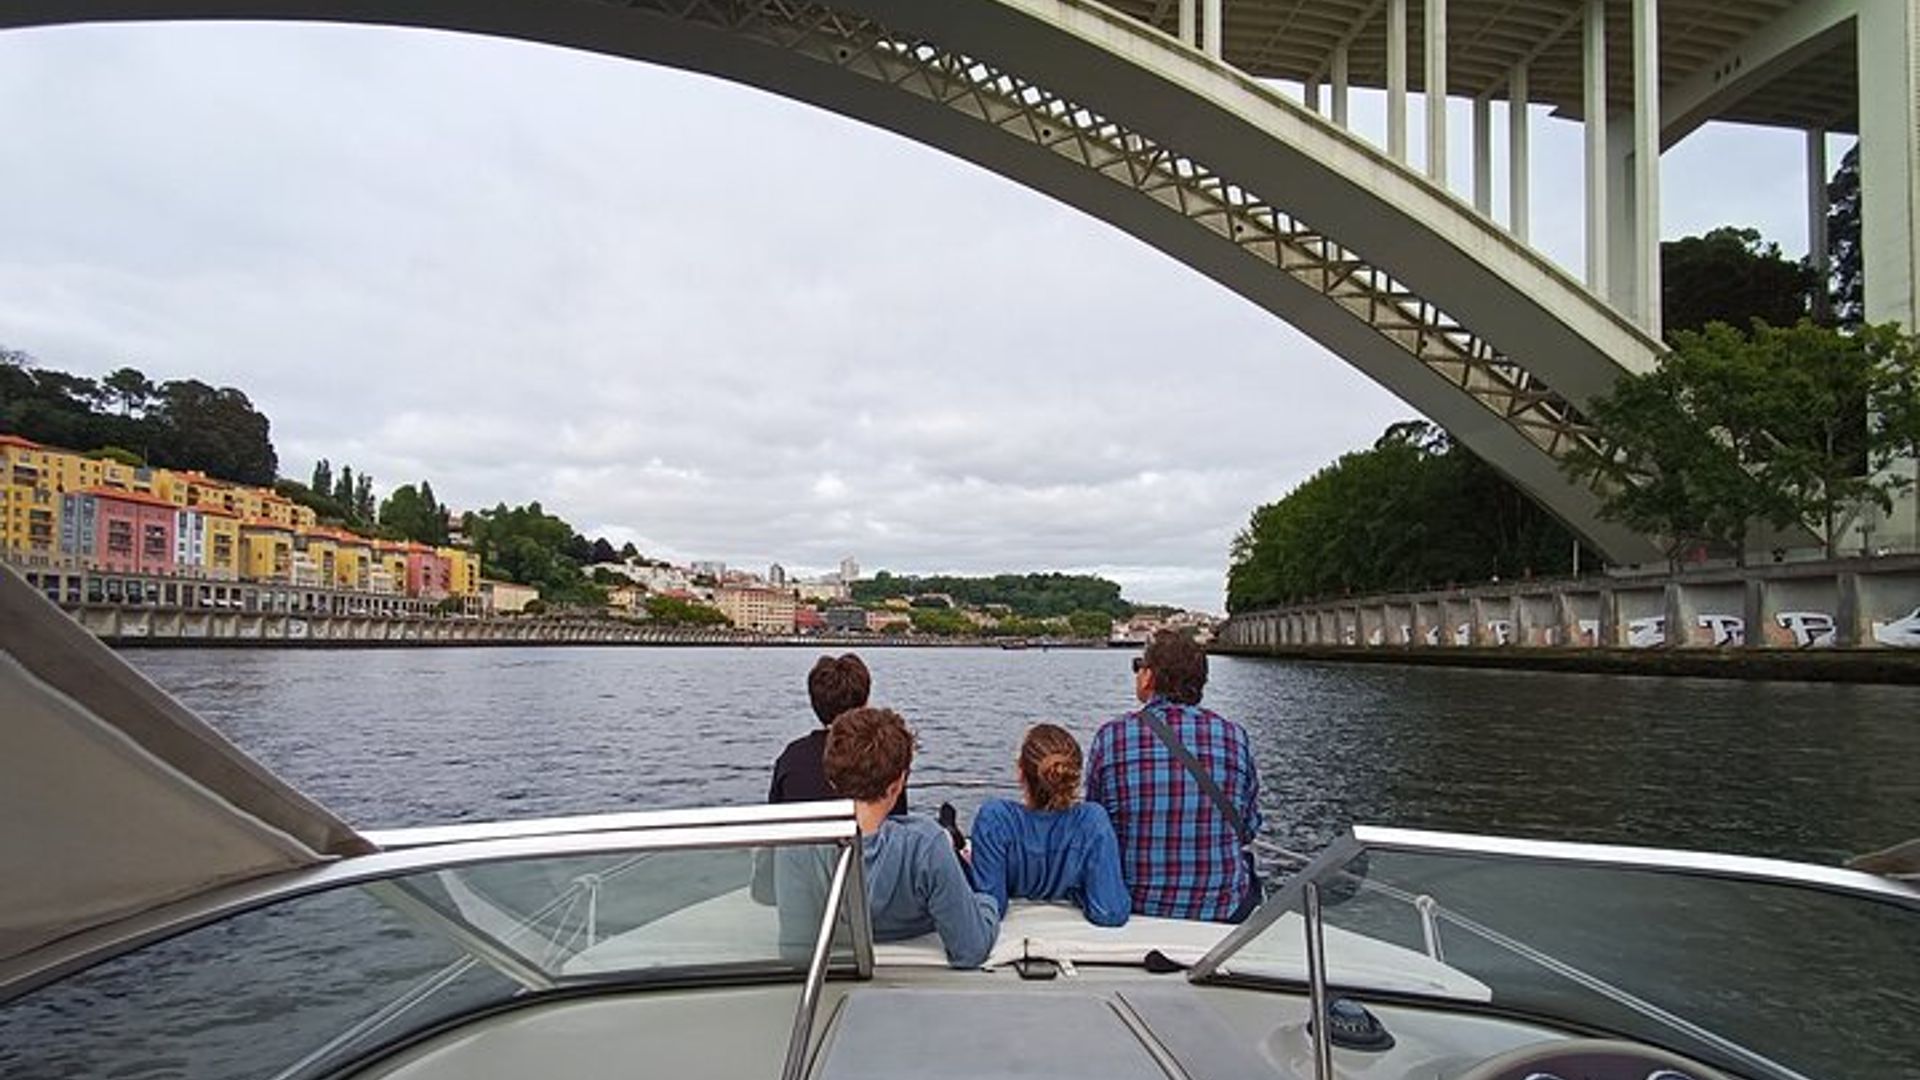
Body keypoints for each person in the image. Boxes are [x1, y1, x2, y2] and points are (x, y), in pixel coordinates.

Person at [1086, 630, 1263, 923]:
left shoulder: (1112, 737)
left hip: (1134, 902)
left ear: (1148, 677)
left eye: (1139, 666)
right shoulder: (1234, 737)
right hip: (1221, 908)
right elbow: (1248, 827)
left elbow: (1096, 824)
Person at [824, 706, 999, 968]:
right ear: (898, 784)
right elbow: (970, 950)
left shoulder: (803, 846)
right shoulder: (925, 844)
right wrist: (986, 904)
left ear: (833, 780)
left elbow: (793, 942)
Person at [968, 724, 1130, 927]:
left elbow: (990, 907)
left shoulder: (995, 819)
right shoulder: (1092, 821)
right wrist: (1078, 893)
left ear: (1021, 774)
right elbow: (1110, 912)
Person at [768, 653, 907, 815]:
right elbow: (899, 818)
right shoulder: (883, 752)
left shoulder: (791, 756)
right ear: (865, 702)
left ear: (815, 703)